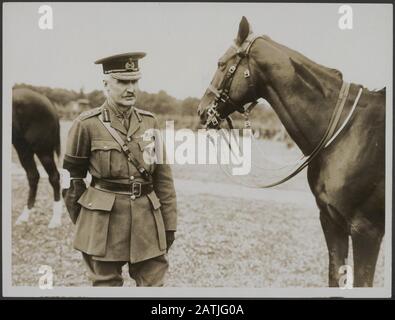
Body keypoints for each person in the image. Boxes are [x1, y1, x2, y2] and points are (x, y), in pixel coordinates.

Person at [62, 52, 177, 286]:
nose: (131, 88)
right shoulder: (86, 125)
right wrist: (87, 220)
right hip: (103, 223)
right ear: (106, 84)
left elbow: (164, 179)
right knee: (106, 287)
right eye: (123, 81)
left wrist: (169, 224)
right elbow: (71, 180)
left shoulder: (150, 122)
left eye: (135, 81)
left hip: (147, 220)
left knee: (155, 286)